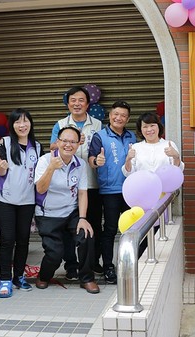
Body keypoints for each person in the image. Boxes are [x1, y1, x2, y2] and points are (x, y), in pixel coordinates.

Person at [34, 126, 99, 294]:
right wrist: (51, 168)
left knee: (86, 235)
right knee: (54, 254)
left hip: (71, 212)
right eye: (64, 141)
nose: (68, 145)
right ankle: (43, 276)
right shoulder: (45, 160)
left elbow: (83, 193)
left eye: (73, 142)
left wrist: (83, 218)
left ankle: (87, 278)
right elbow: (40, 189)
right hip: (47, 213)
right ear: (58, 142)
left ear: (78, 145)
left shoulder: (80, 164)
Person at [50, 86, 103, 278]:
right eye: (73, 100)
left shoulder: (97, 124)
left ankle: (92, 262)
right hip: (68, 186)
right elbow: (52, 147)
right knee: (68, 228)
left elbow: (100, 149)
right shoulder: (60, 123)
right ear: (68, 103)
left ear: (88, 104)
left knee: (93, 225)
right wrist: (70, 142)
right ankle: (71, 266)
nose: (77, 104)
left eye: (81, 100)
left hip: (92, 183)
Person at [122, 112, 184, 257]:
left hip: (162, 196)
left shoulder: (168, 144)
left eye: (152, 125)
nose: (149, 130)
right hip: (140, 196)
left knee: (158, 229)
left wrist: (176, 156)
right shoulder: (136, 147)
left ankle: (153, 256)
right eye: (145, 126)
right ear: (140, 129)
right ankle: (139, 261)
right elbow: (127, 172)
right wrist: (128, 159)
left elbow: (177, 170)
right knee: (141, 228)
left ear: (158, 127)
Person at [0, 108, 41, 298]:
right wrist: (2, 168)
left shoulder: (37, 147)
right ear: (12, 126)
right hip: (5, 199)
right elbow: (0, 172)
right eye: (17, 122)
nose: (22, 125)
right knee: (7, 240)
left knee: (23, 240)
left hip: (27, 200)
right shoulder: (3, 143)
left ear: (30, 124)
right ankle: (5, 279)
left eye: (25, 121)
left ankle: (19, 276)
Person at [88, 101, 136, 284]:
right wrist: (97, 161)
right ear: (110, 115)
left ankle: (132, 264)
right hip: (110, 191)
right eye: (116, 114)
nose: (119, 118)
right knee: (109, 229)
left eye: (123, 115)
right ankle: (108, 266)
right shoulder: (100, 136)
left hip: (131, 189)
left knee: (132, 229)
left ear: (127, 119)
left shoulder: (132, 136)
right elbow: (92, 159)